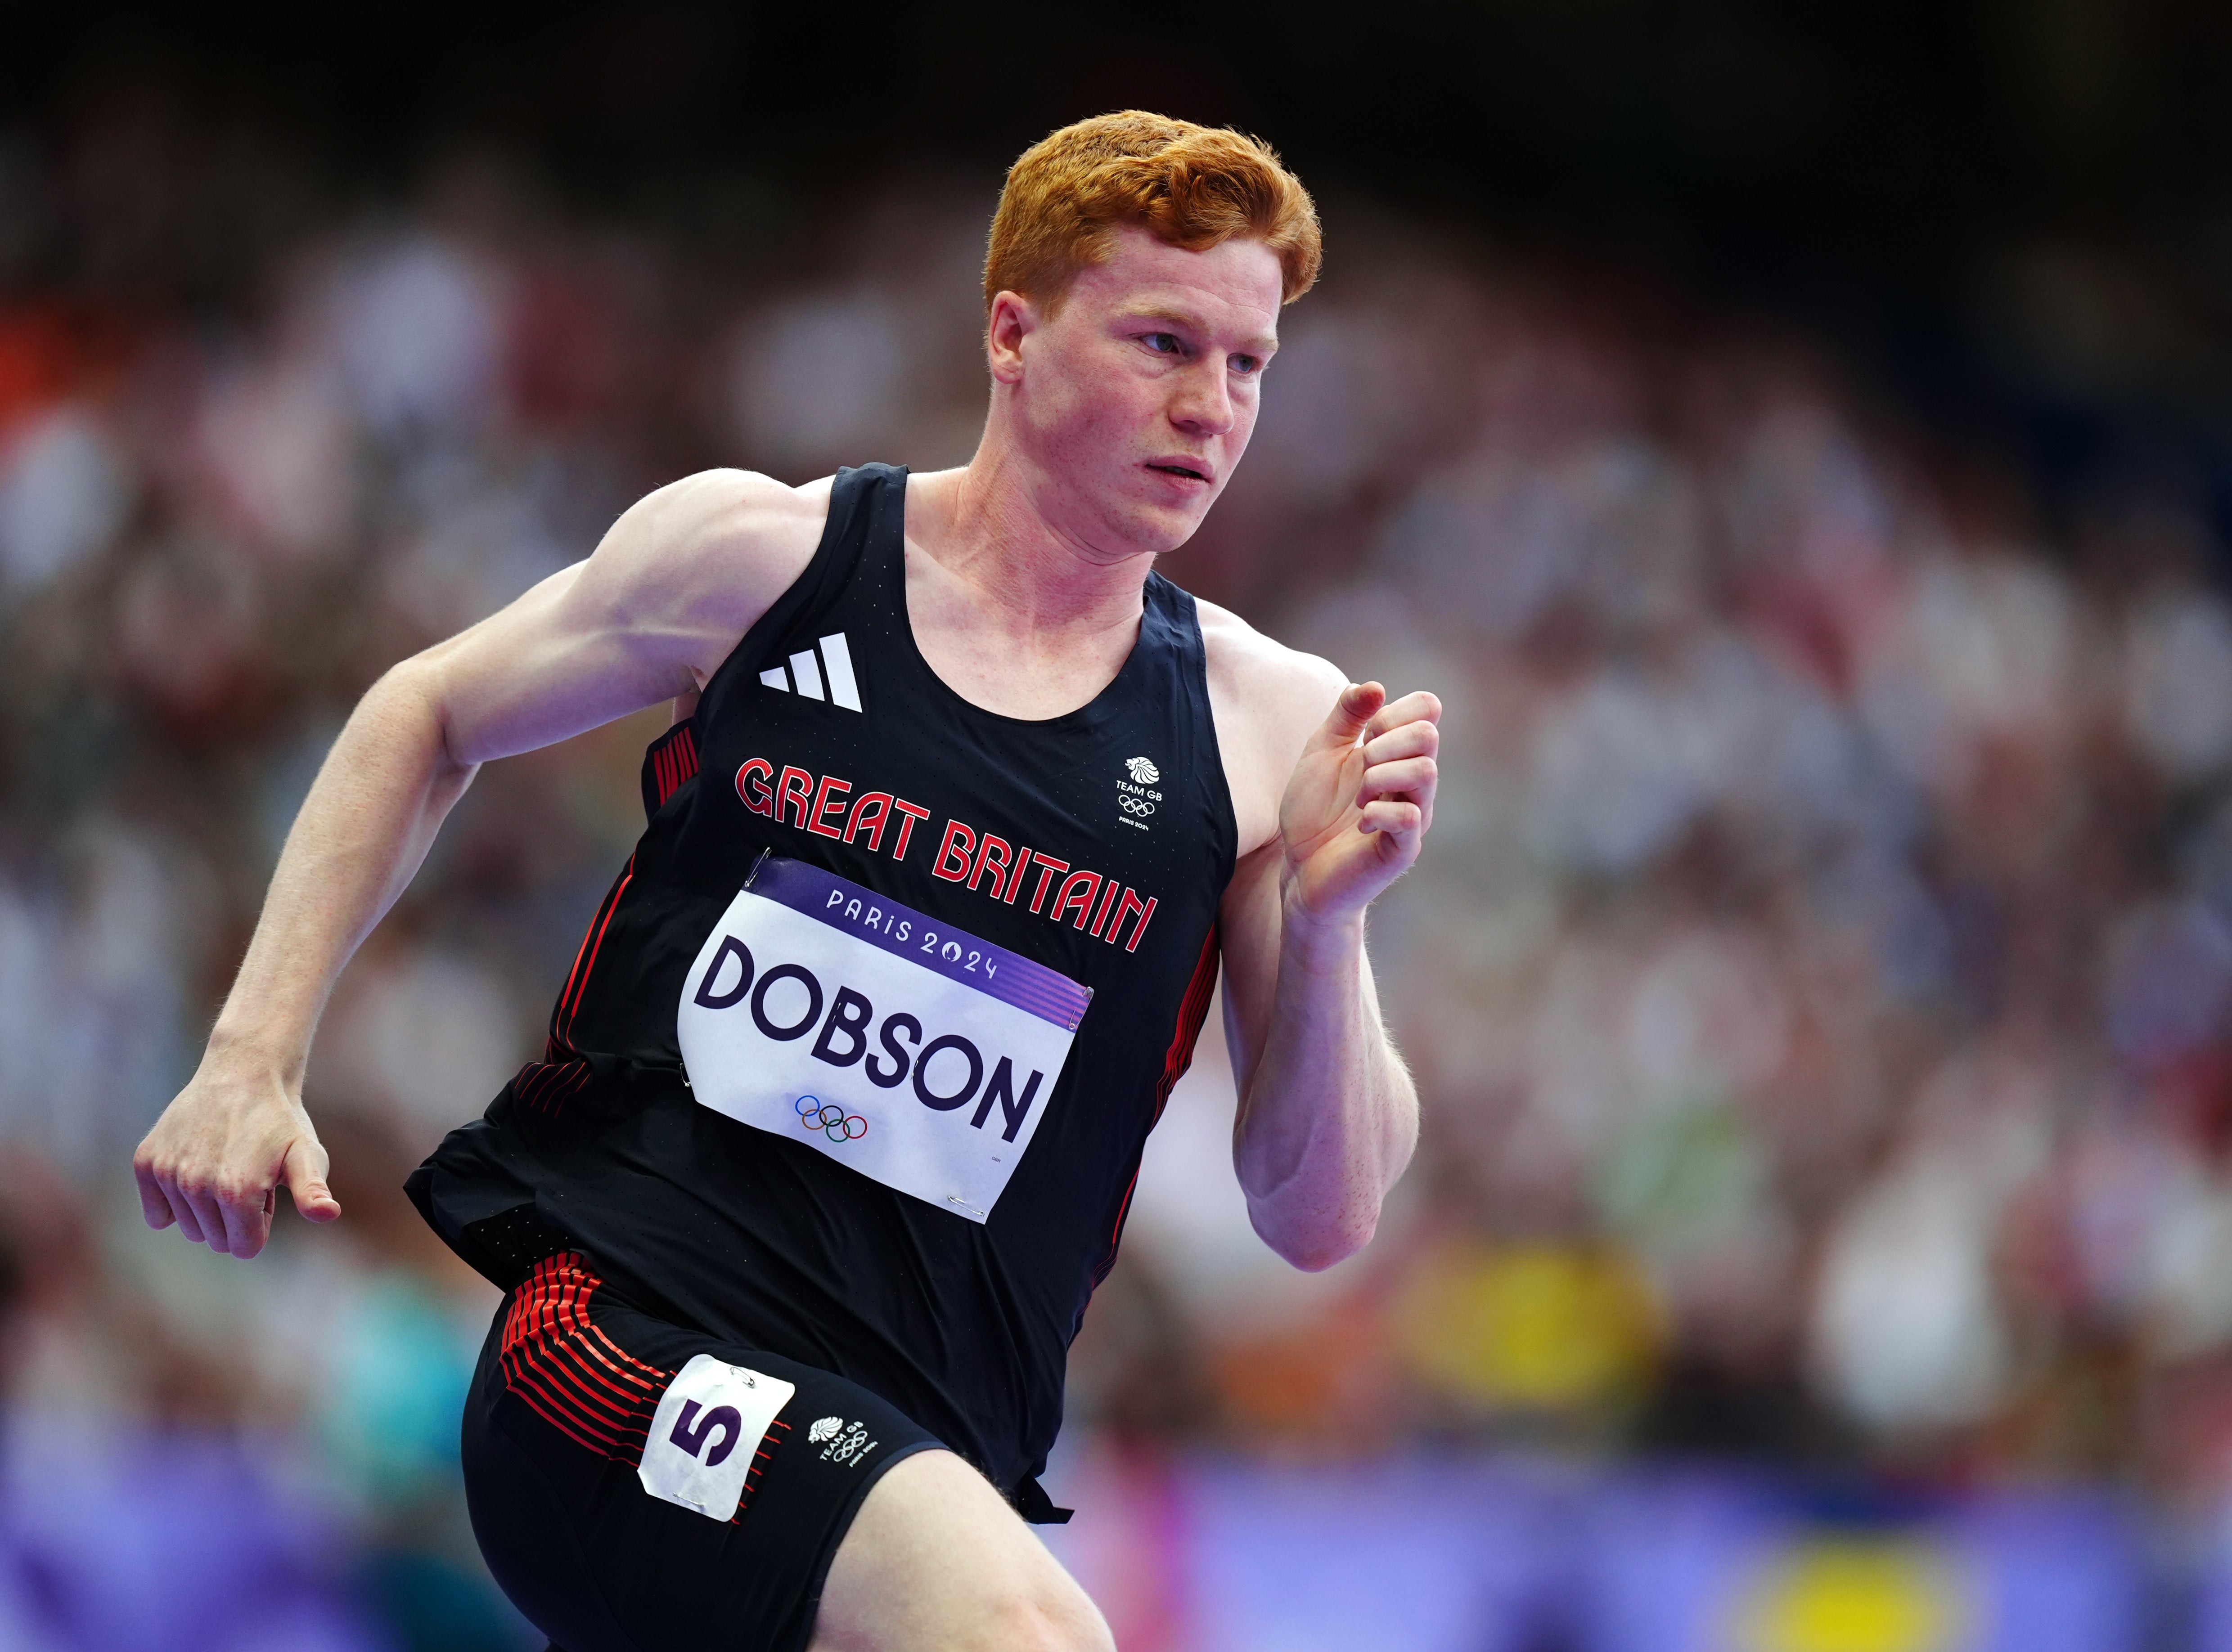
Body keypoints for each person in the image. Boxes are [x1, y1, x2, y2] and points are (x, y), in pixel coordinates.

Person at [132, 111, 1436, 1652]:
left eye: (1249, 366)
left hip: (915, 1450)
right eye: (1163, 343)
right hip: (615, 1348)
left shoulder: (1262, 725)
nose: (1211, 408)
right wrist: (248, 1056)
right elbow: (423, 711)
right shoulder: (762, 561)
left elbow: (1320, 1213)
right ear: (1012, 335)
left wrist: (1331, 924)